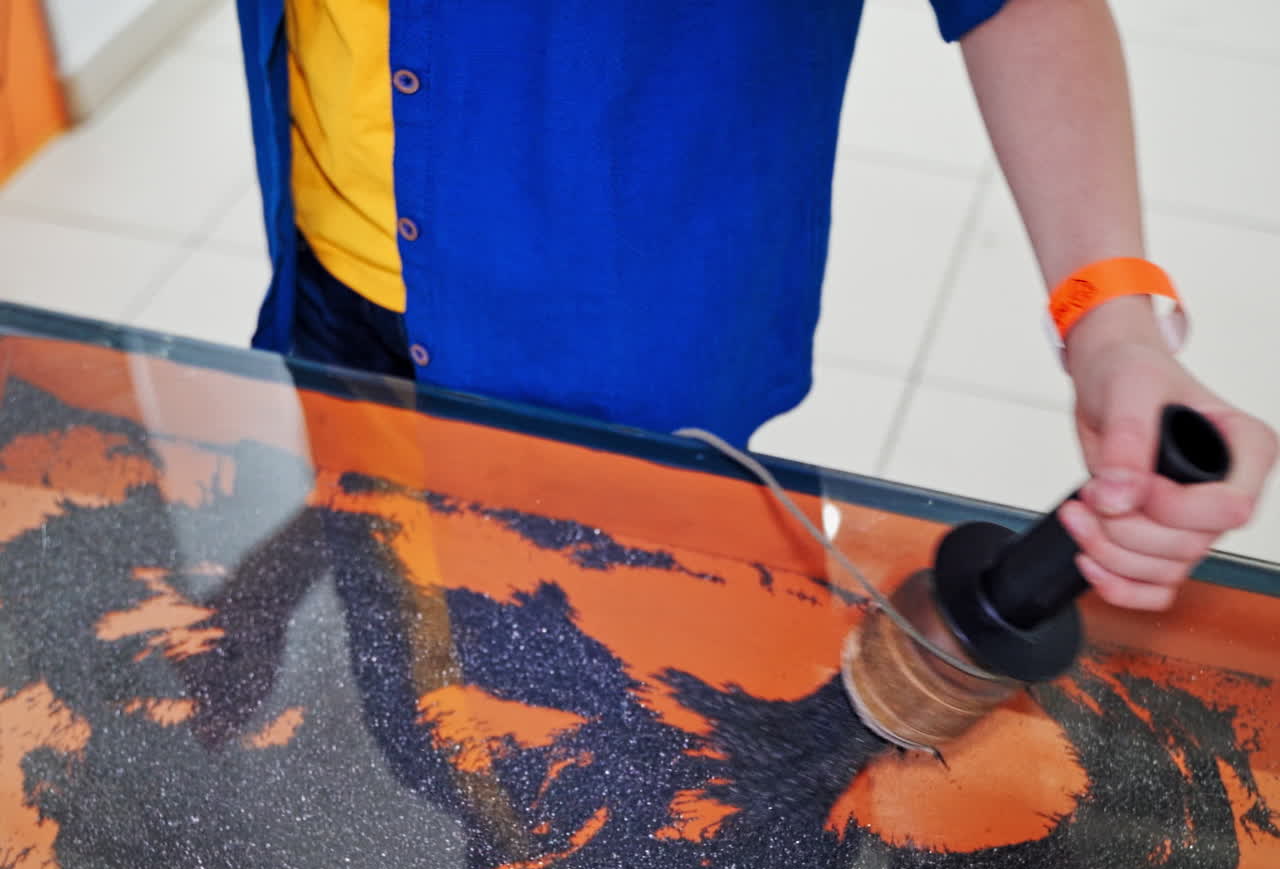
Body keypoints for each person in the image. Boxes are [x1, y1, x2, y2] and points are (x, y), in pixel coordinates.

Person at [234, 0, 1277, 614]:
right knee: (388, 650)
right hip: (330, 284)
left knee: (616, 735)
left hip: (615, 372)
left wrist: (1112, 320)